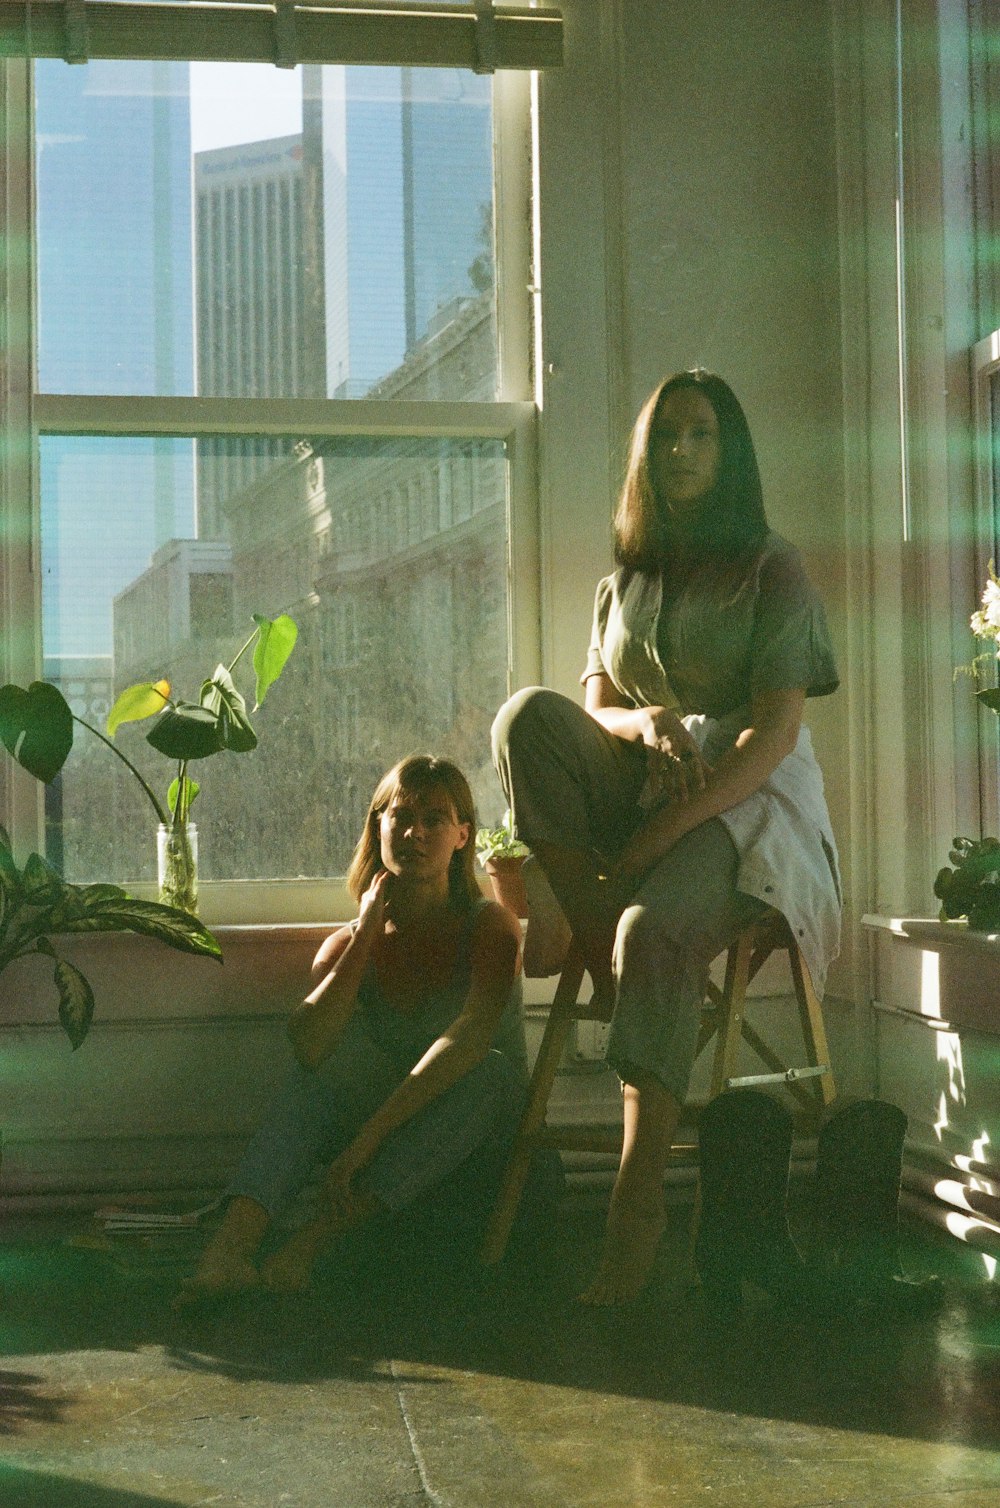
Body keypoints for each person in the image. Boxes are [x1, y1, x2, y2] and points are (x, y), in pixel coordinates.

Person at [492, 369, 841, 1306]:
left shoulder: (774, 566)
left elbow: (774, 735)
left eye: (700, 435)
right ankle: (594, 904)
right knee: (527, 715)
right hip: (644, 783)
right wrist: (646, 725)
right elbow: (595, 709)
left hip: (743, 797)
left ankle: (634, 1205)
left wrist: (663, 833)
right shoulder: (628, 578)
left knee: (652, 933)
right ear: (645, 455)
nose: (680, 450)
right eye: (667, 436)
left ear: (729, 453)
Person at [179, 754, 524, 1301]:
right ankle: (230, 1249)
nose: (414, 832)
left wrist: (366, 1144)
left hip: (465, 1118)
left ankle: (312, 1243)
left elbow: (472, 1039)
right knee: (316, 1078)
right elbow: (310, 1046)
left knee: (495, 1074)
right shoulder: (347, 943)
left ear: (462, 836)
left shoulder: (490, 927)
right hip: (378, 1115)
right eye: (399, 816)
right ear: (378, 827)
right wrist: (366, 931)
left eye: (435, 819)